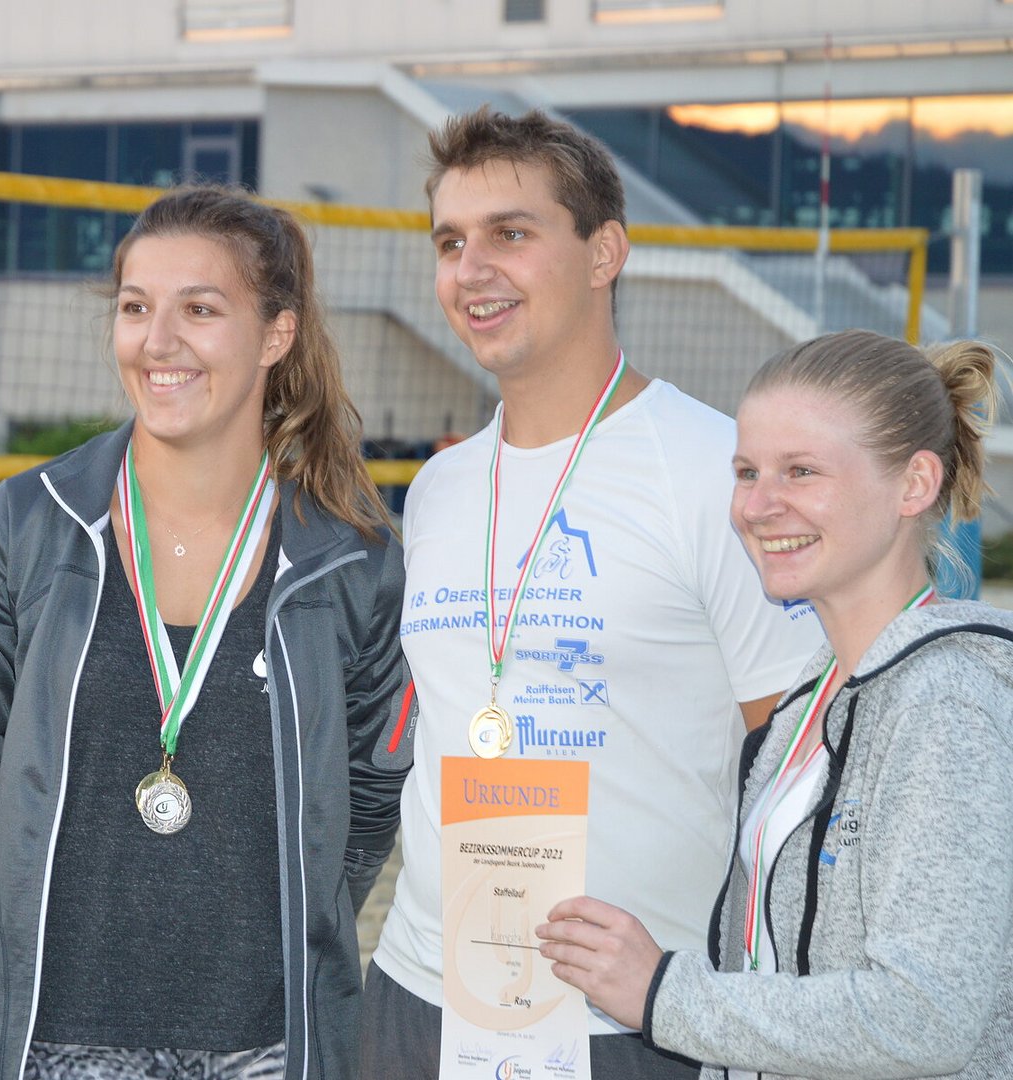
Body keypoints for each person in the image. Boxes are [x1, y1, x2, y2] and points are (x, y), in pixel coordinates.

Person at [362, 106, 825, 1079]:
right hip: (421, 995)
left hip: (629, 1023)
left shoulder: (715, 473)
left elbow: (797, 772)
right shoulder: (440, 487)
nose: (470, 269)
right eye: (449, 242)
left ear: (603, 252)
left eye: (509, 234)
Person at [0, 185, 412, 1080]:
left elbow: (371, 799)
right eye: (135, 307)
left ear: (275, 334)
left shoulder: (351, 558)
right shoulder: (18, 531)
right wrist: (28, 948)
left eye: (200, 309)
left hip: (271, 1044)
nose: (157, 341)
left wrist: (287, 939)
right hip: (54, 1040)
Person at [535, 329, 1013, 1079]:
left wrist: (661, 992)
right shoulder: (806, 702)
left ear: (914, 484)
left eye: (801, 471)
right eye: (746, 472)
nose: (757, 506)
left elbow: (927, 1016)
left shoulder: (945, 703)